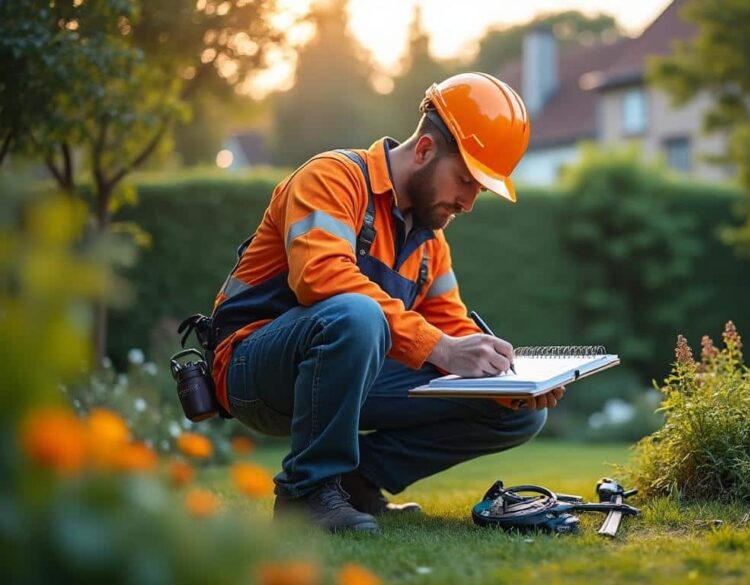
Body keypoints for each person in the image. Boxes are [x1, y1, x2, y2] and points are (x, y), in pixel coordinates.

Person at [205, 72, 563, 533]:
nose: (469, 202)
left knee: (517, 416)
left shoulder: (430, 244)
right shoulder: (332, 178)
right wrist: (444, 349)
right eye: (465, 180)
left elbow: (451, 328)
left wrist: (512, 384)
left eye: (480, 188)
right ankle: (307, 490)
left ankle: (354, 484)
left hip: (346, 377)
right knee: (356, 311)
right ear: (425, 150)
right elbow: (321, 276)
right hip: (252, 370)